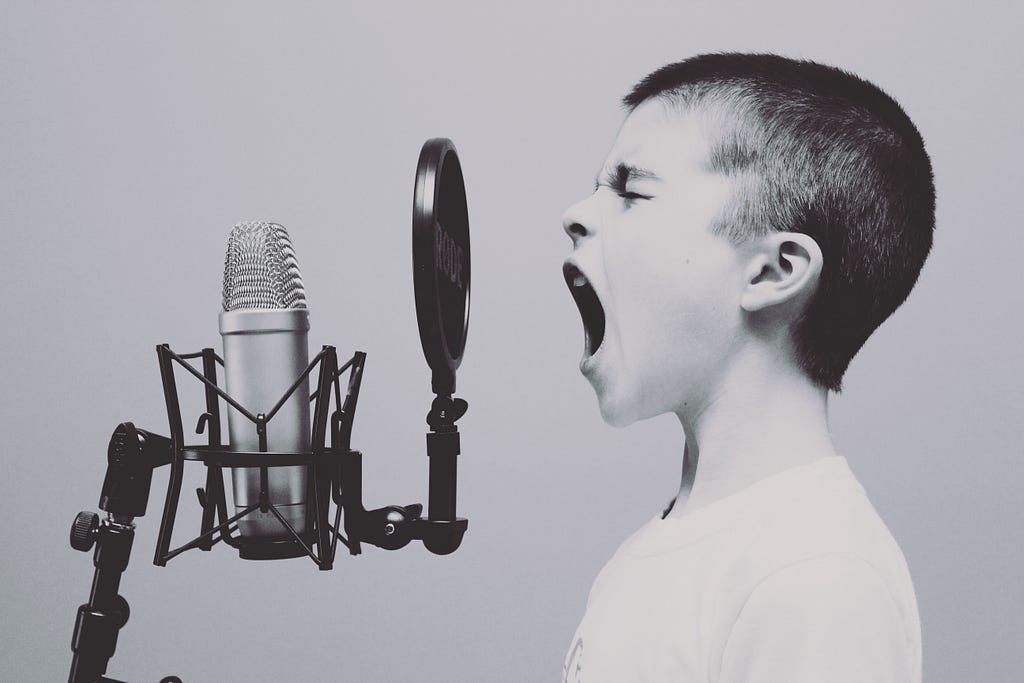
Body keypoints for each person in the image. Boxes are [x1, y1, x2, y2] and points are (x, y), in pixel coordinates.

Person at [561, 53, 933, 682]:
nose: (576, 215)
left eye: (631, 190)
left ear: (773, 271)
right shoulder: (662, 551)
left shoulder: (814, 576)